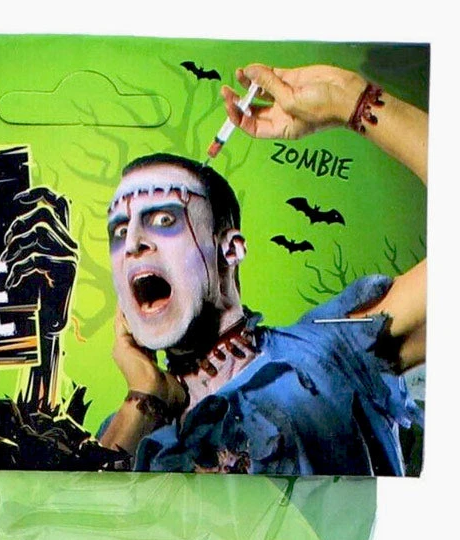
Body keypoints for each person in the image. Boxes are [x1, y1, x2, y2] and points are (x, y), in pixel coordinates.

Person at [101, 62, 427, 475]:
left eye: (164, 219)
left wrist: (348, 98)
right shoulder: (126, 431)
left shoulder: (328, 351)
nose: (132, 244)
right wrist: (145, 398)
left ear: (230, 249)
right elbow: (76, 514)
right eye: (119, 231)